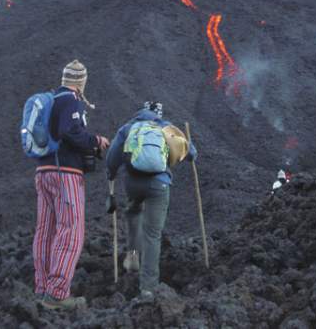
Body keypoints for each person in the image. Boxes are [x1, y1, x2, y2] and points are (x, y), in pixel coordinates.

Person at [33, 60, 110, 310]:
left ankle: (43, 288)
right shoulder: (70, 100)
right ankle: (57, 294)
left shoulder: (51, 99)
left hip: (44, 171)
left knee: (46, 231)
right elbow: (70, 132)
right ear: (81, 82)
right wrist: (96, 140)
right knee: (71, 230)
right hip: (64, 174)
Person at [105, 101, 197, 298]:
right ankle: (148, 287)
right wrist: (189, 152)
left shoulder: (129, 127)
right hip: (158, 185)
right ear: (159, 114)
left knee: (133, 211)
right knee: (152, 234)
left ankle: (132, 257)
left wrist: (111, 175)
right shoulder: (166, 127)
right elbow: (191, 153)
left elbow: (112, 157)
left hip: (133, 183)